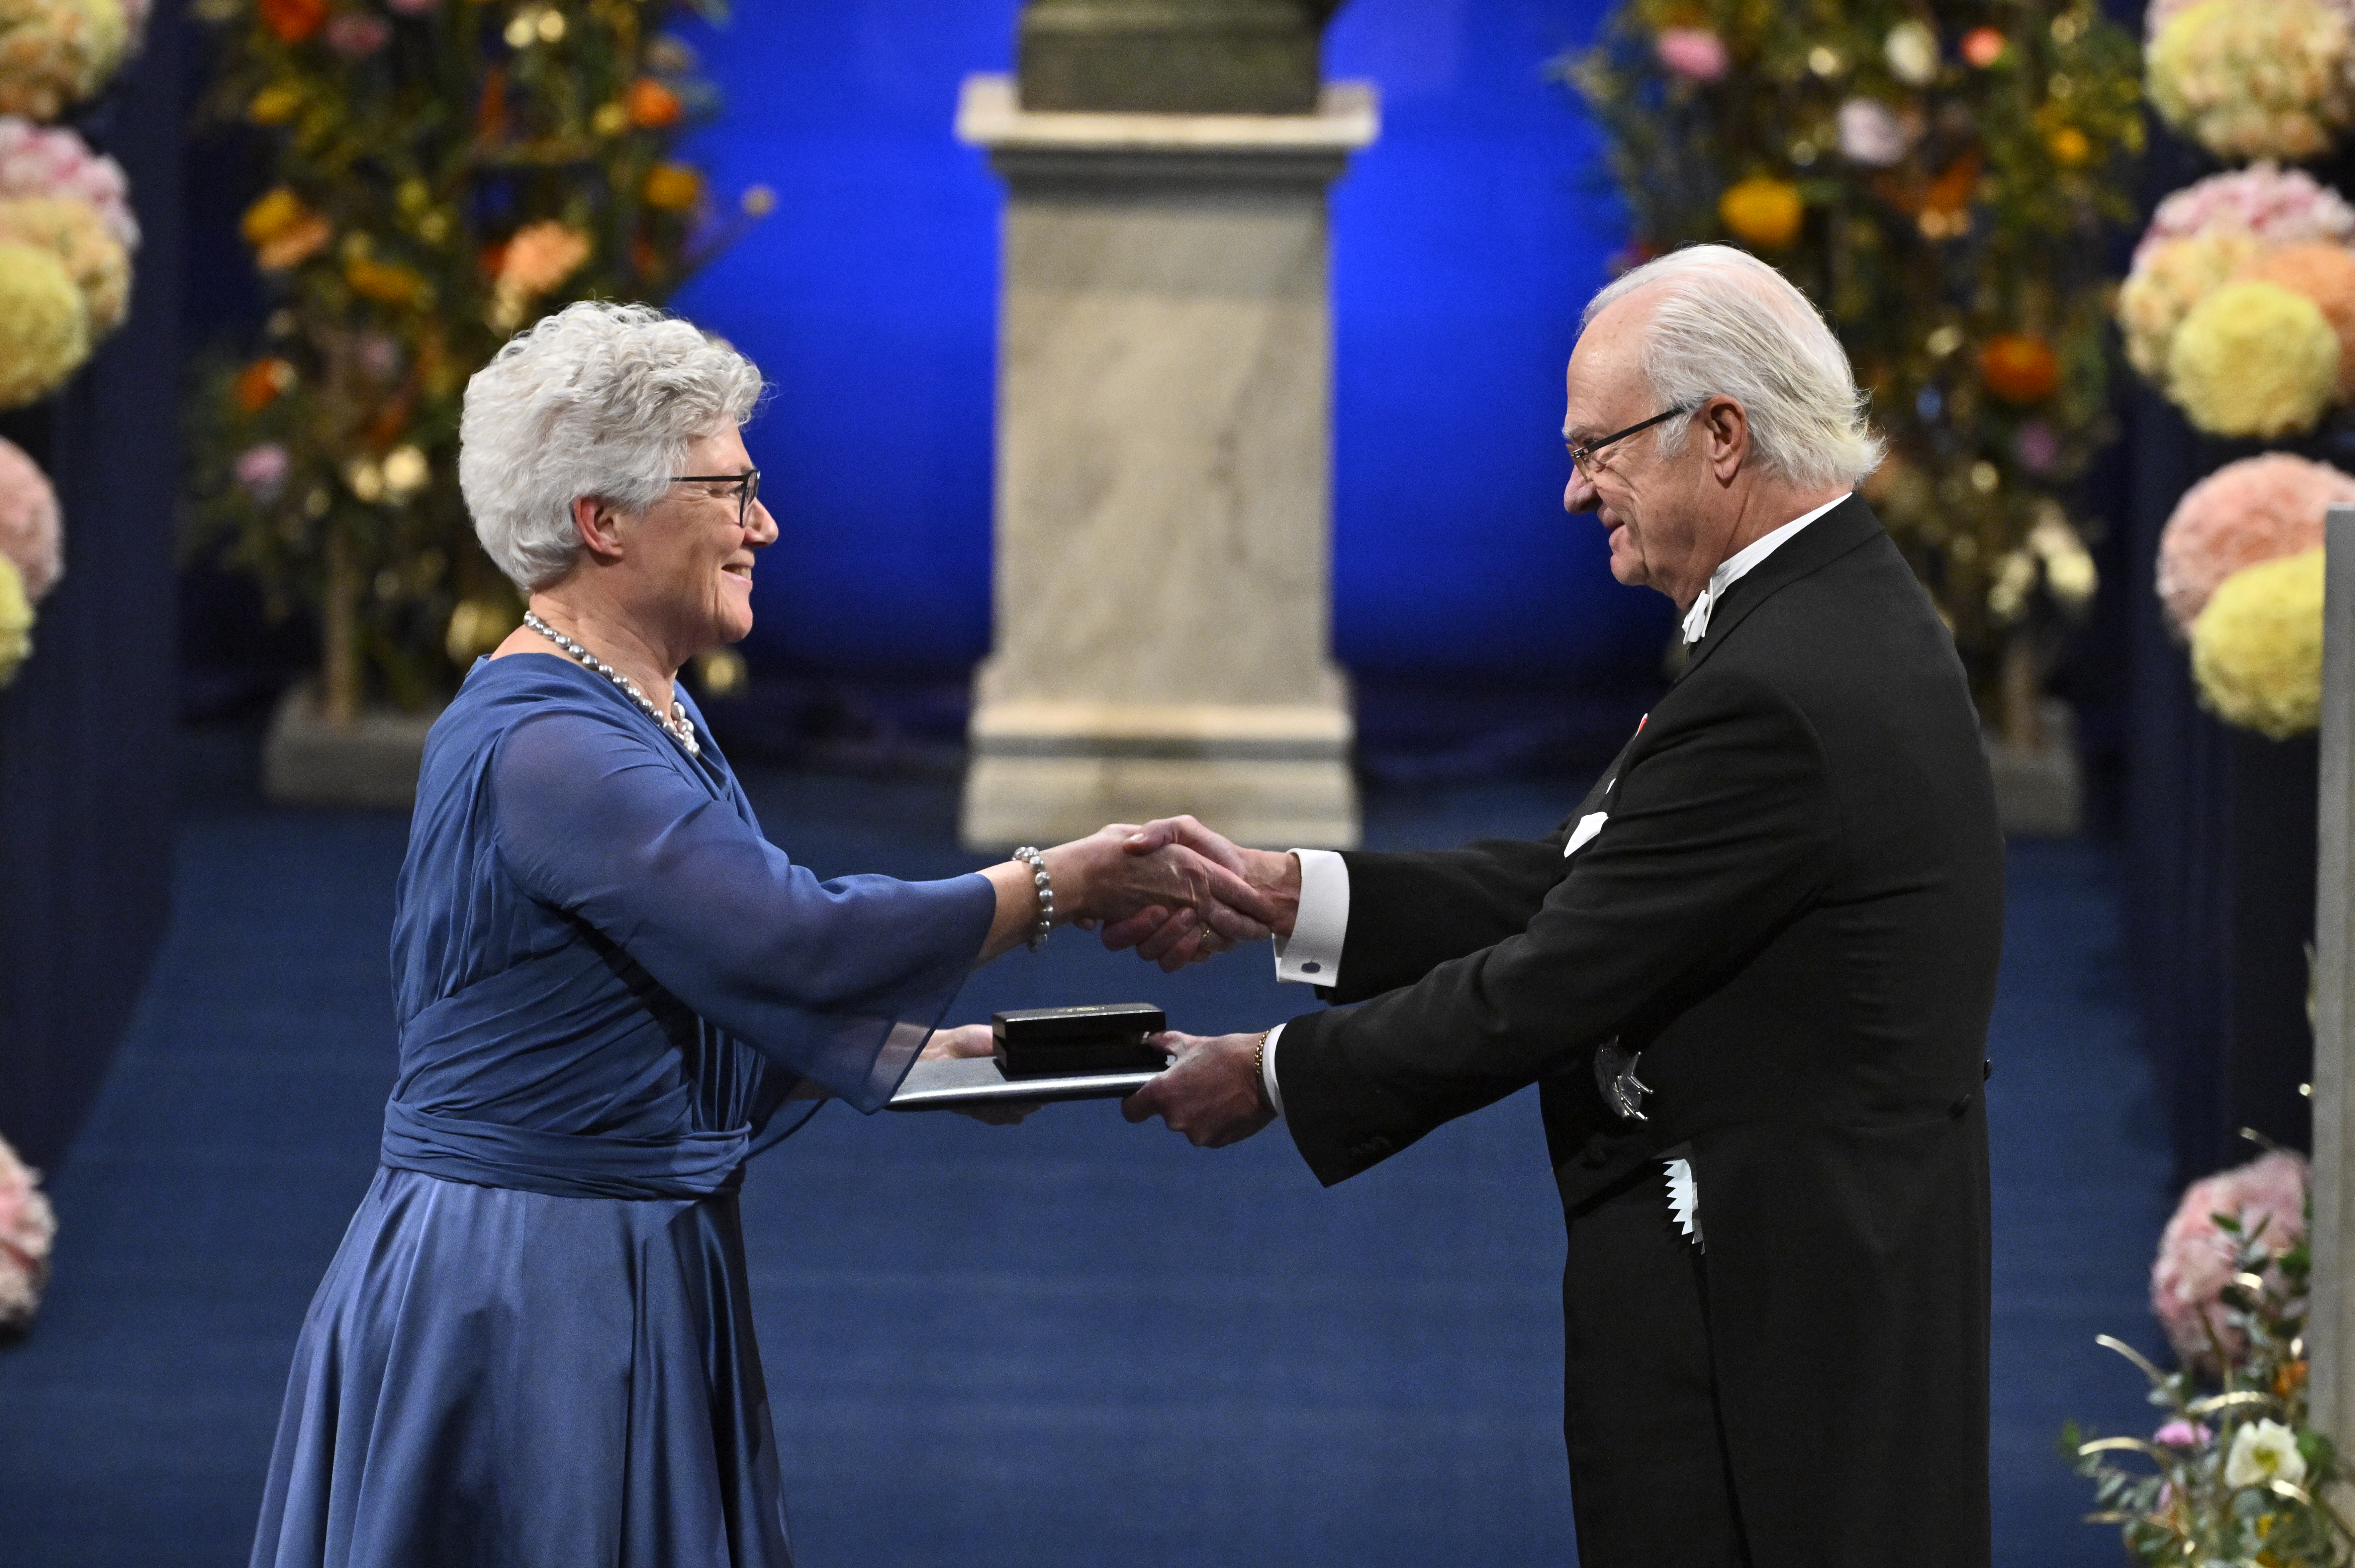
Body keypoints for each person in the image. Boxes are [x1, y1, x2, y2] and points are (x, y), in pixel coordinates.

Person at [248, 301, 1276, 1568]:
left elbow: (689, 998)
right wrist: (1053, 886)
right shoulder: (555, 747)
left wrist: (938, 1063)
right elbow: (796, 942)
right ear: (601, 519)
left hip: (617, 1257)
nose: (765, 525)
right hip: (525, 1300)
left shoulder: (640, 706)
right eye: (731, 490)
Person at [1113, 245, 2003, 1568]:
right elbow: (1607, 875)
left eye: (1598, 448)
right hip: (1802, 1278)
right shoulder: (1815, 613)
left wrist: (1278, 1071)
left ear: (1717, 433)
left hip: (1771, 1313)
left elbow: (1560, 969)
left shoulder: (1786, 679)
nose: (1572, 486)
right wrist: (1294, 895)